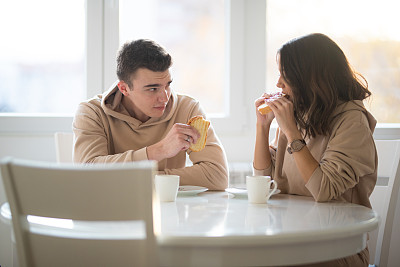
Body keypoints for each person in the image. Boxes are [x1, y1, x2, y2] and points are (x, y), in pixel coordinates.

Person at [253, 33, 377, 266]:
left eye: (286, 76)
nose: (278, 83)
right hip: (291, 239)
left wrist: (291, 132)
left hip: (335, 248)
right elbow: (263, 181)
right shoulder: (299, 113)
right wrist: (262, 128)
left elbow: (324, 189)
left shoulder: (352, 121)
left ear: (310, 79)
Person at [73, 39, 228, 190]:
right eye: (152, 89)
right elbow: (87, 175)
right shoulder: (91, 113)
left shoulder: (187, 109)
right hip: (109, 211)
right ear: (124, 88)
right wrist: (159, 150)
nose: (165, 97)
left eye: (168, 85)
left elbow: (217, 176)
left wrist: (140, 179)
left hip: (169, 211)